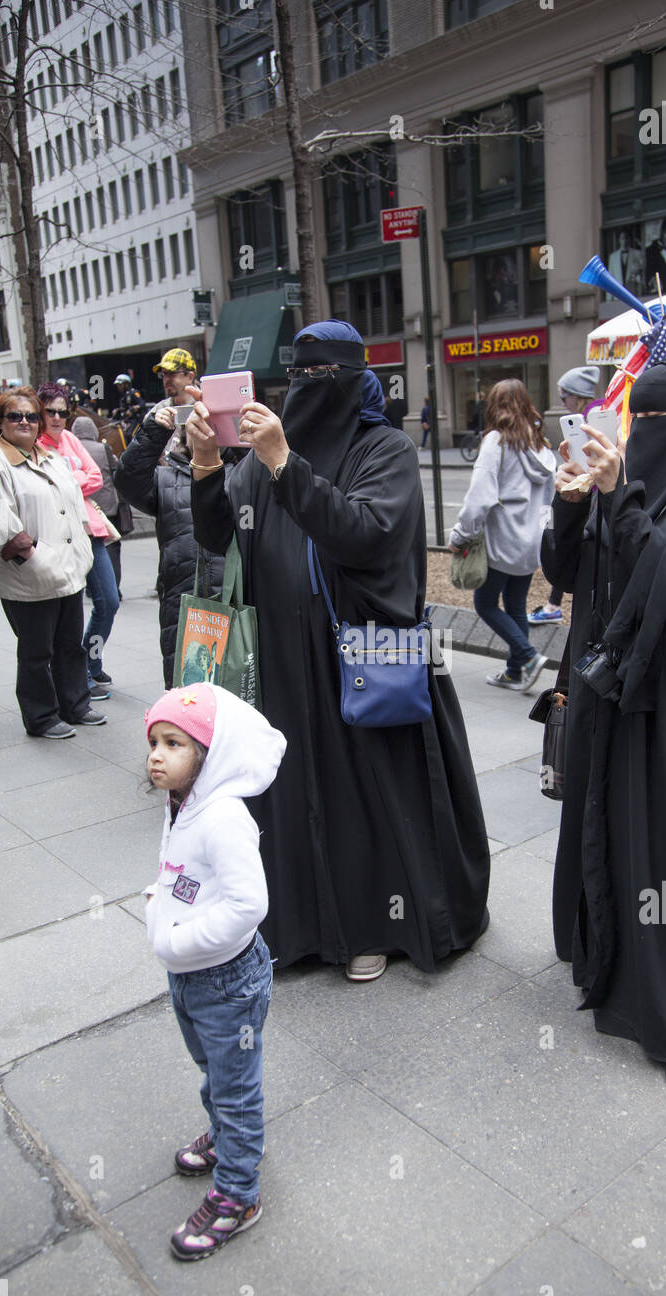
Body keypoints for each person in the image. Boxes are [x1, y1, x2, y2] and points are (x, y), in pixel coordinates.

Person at [188, 319, 490, 982]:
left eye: (321, 377)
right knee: (291, 791)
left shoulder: (382, 449)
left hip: (357, 654)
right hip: (280, 662)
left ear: (351, 381)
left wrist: (283, 466)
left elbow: (364, 533)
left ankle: (370, 926)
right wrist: (210, 465)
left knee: (361, 797)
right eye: (297, 375)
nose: (305, 389)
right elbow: (220, 536)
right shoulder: (265, 452)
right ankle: (297, 925)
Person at [540, 361, 666, 1086]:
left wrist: (619, 496)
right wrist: (569, 503)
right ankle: (606, 960)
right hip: (605, 685)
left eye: (665, 424)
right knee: (602, 821)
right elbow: (562, 573)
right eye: (642, 421)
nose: (650, 436)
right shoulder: (608, 488)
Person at [143, 683, 286, 1260]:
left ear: (208, 753)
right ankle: (232, 1142)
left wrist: (178, 940)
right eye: (153, 741)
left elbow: (248, 906)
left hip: (227, 981)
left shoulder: (223, 817)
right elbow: (179, 873)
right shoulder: (183, 804)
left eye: (173, 743)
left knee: (234, 1087)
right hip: (190, 973)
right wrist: (157, 900)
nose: (156, 754)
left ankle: (238, 1193)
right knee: (213, 1071)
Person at [0, 388, 106, 738]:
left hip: (68, 570)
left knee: (69, 645)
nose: (25, 422)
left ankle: (75, 705)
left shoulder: (50, 457)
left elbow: (76, 506)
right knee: (35, 651)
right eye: (15, 416)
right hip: (29, 575)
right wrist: (34, 557)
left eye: (32, 416)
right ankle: (42, 717)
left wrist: (83, 550)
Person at [115, 400, 237, 688]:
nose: (205, 433)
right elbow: (127, 479)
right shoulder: (166, 478)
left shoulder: (242, 471)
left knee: (239, 691)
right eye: (197, 426)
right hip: (184, 603)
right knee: (187, 693)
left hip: (237, 600)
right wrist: (154, 430)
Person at [448, 378, 555, 692]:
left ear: (494, 407)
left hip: (501, 540)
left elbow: (479, 498)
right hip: (530, 542)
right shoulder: (540, 444)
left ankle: (528, 656)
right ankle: (515, 672)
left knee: (485, 604)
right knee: (516, 605)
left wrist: (459, 536)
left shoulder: (496, 441)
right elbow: (550, 497)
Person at [37, 385, 119, 696]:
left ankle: (90, 663)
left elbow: (96, 475)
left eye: (63, 411)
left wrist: (69, 483)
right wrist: (75, 481)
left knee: (109, 602)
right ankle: (76, 677)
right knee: (69, 611)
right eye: (50, 411)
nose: (57, 418)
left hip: (89, 532)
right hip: (57, 536)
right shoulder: (35, 444)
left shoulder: (70, 439)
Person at [529, 365, 601, 625]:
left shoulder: (592, 420)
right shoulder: (582, 420)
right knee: (563, 543)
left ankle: (552, 605)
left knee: (568, 542)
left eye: (564, 396)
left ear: (577, 395)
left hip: (589, 497)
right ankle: (552, 604)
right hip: (577, 495)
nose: (562, 402)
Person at [70, 415, 128, 597]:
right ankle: (114, 588)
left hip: (82, 508)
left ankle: (92, 588)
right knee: (111, 547)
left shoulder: (71, 450)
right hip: (106, 506)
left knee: (85, 549)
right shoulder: (103, 447)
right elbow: (117, 468)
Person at [147, 348, 199, 462]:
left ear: (190, 377)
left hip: (202, 475)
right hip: (167, 476)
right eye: (164, 374)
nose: (166, 379)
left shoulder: (206, 406)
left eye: (171, 373)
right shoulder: (158, 410)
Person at [111, 373, 147, 439]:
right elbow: (124, 408)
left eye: (120, 385)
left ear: (126, 384)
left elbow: (142, 404)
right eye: (117, 385)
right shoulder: (123, 396)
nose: (118, 387)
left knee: (131, 435)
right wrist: (118, 410)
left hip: (136, 419)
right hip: (127, 420)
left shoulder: (133, 393)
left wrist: (132, 409)